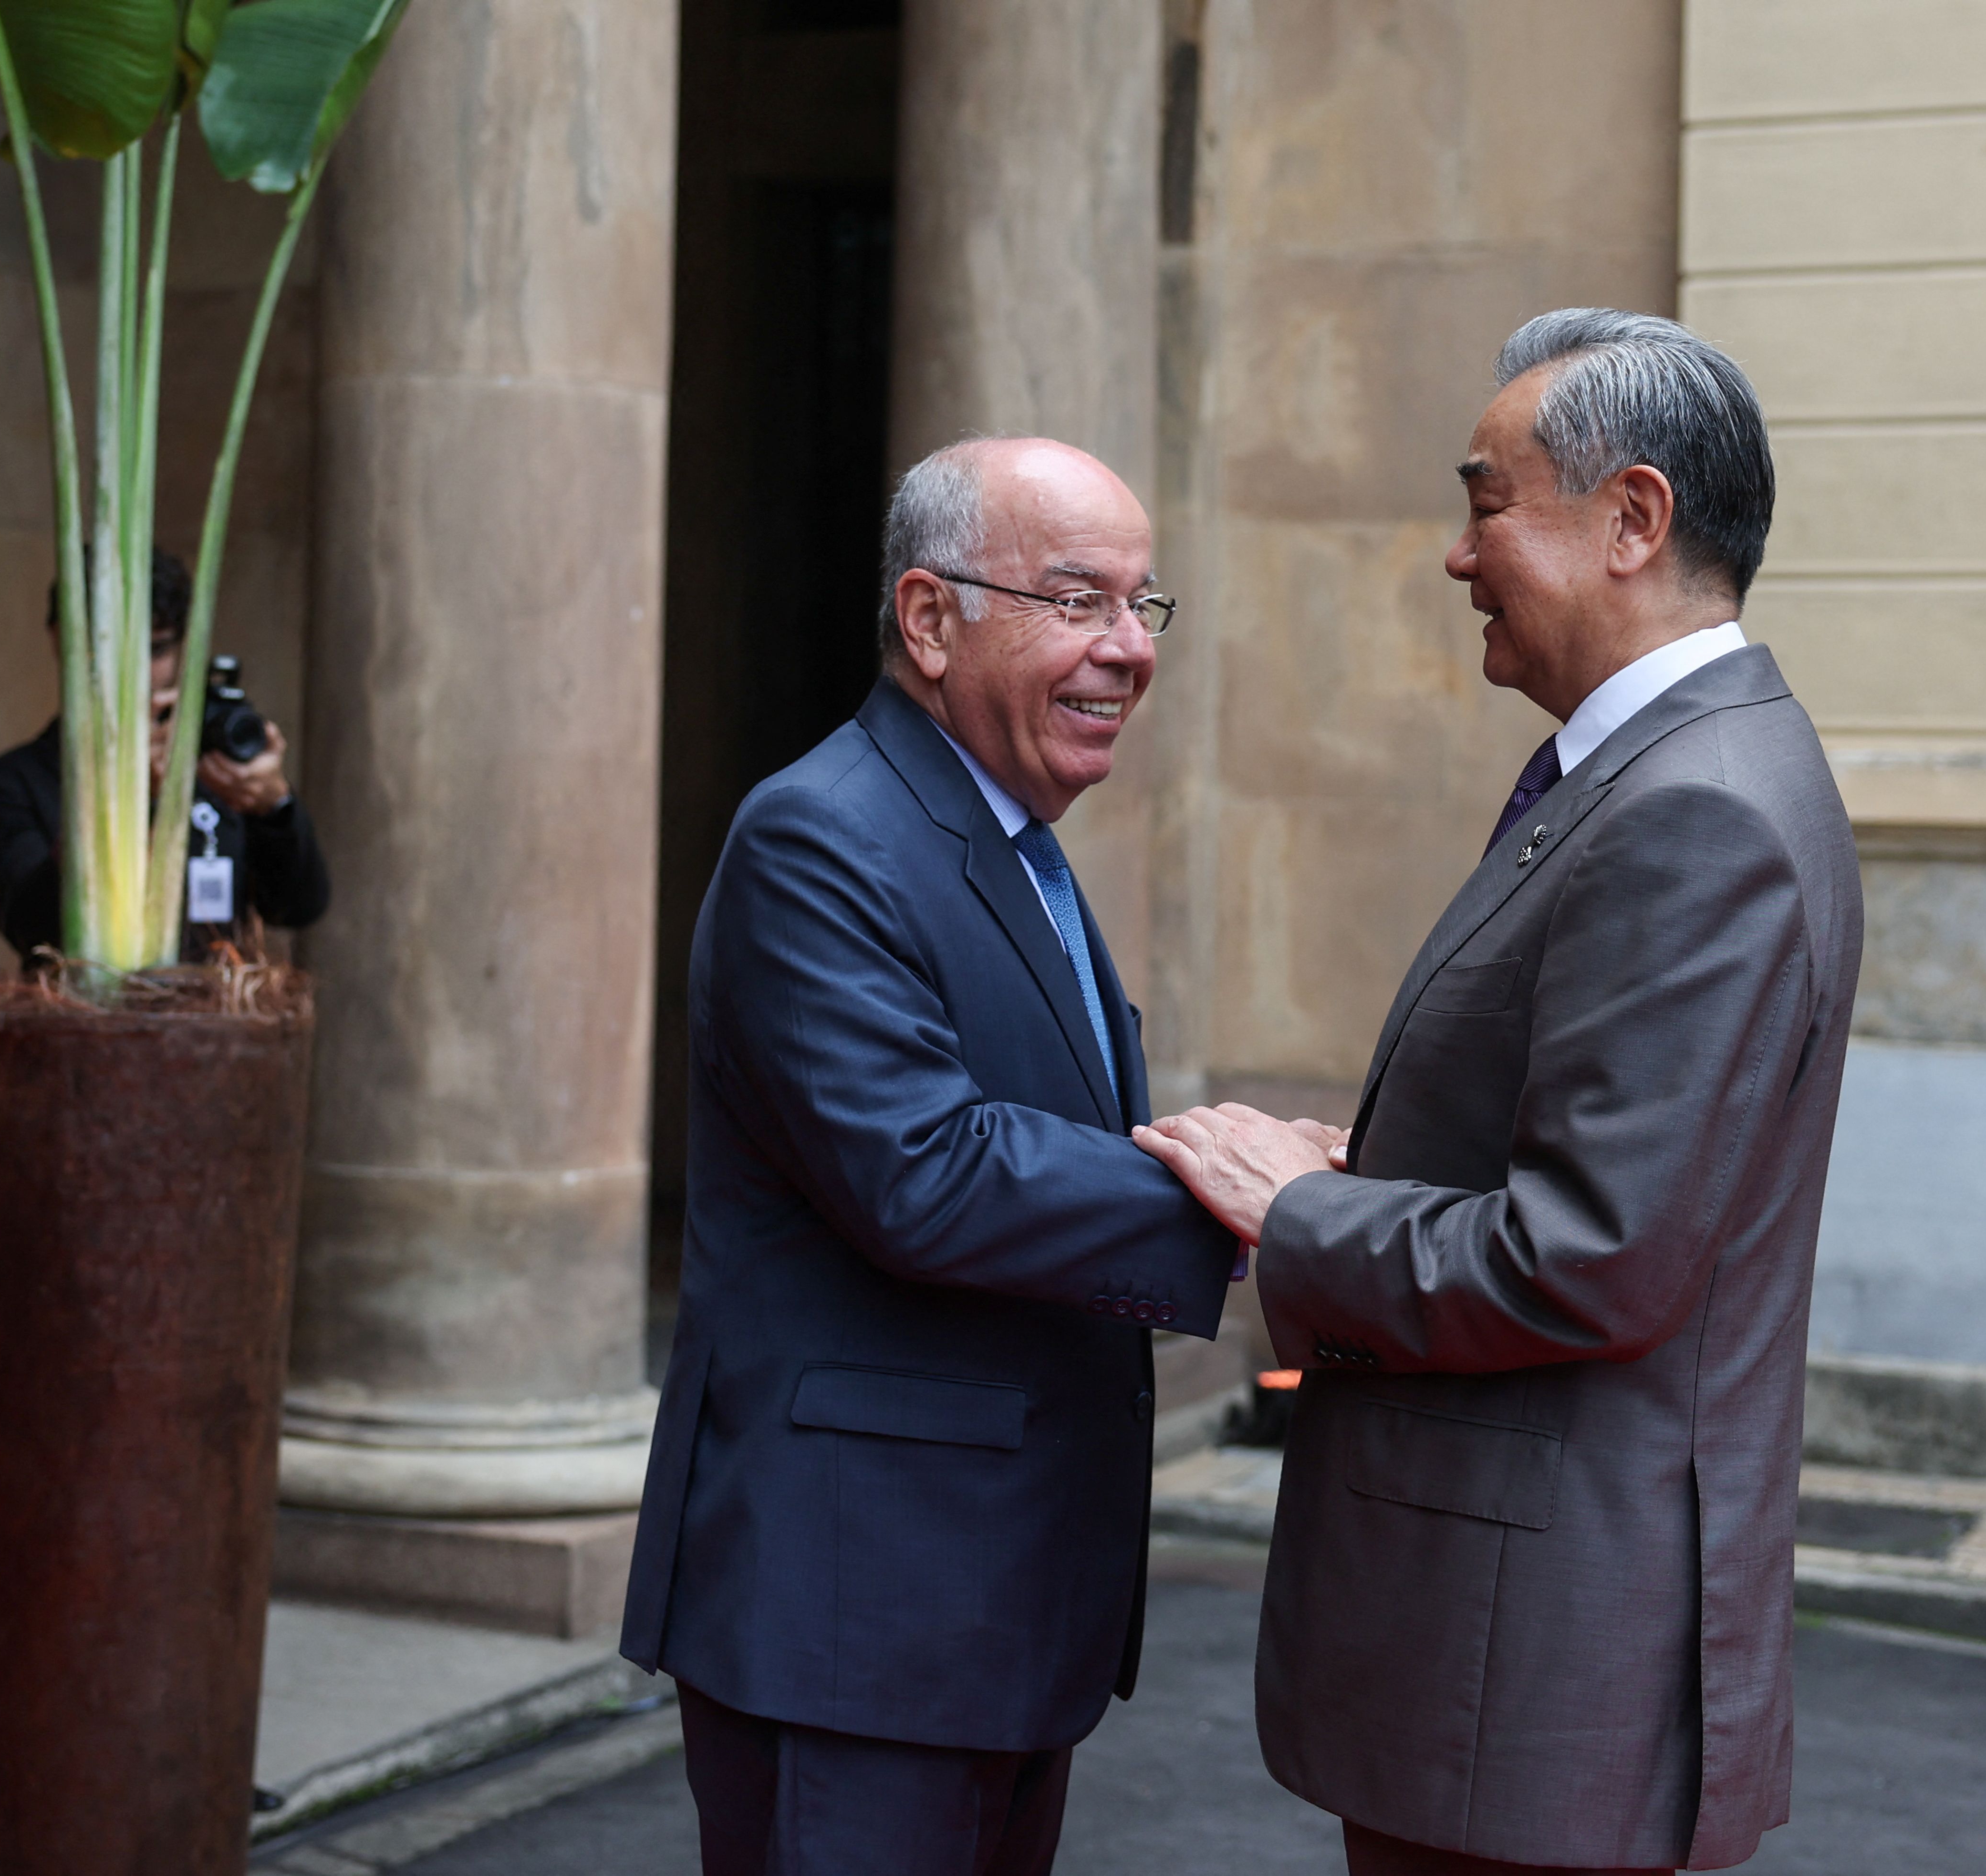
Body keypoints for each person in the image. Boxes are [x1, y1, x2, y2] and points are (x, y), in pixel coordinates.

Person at [1136, 310, 1862, 1874]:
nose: (1459, 554)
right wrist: (1372, 1167)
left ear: (1634, 519)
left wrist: (1304, 1211)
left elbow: (1588, 1254)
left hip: (1530, 1666)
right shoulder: (1668, 773)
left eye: (1487, 502)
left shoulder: (1693, 813)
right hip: (1516, 1654)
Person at [620, 437, 1243, 1876]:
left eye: (1145, 608)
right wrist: (1245, 1191)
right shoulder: (820, 836)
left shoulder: (1002, 832)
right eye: (1078, 599)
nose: (1125, 650)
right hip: (861, 1621)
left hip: (986, 1608)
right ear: (926, 617)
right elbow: (928, 1169)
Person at [0, 548, 329, 960]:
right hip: (92, 1023)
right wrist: (133, 799)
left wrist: (274, 807)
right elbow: (36, 929)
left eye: (158, 650)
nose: (139, 675)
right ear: (66, 640)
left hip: (219, 1020)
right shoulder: (1, 787)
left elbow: (298, 907)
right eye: (120, 651)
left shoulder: (213, 771)